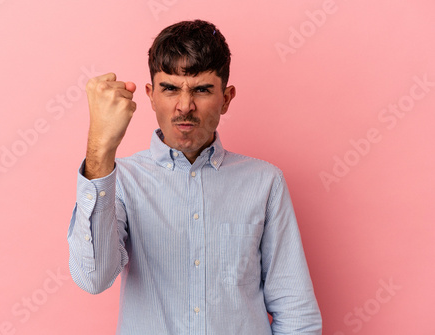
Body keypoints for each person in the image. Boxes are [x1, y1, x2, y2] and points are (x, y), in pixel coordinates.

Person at [67, 19, 322, 334]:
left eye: (201, 89)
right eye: (170, 88)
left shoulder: (264, 182)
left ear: (226, 98)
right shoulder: (121, 181)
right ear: (150, 95)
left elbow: (296, 312)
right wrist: (100, 150)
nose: (184, 106)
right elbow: (93, 278)